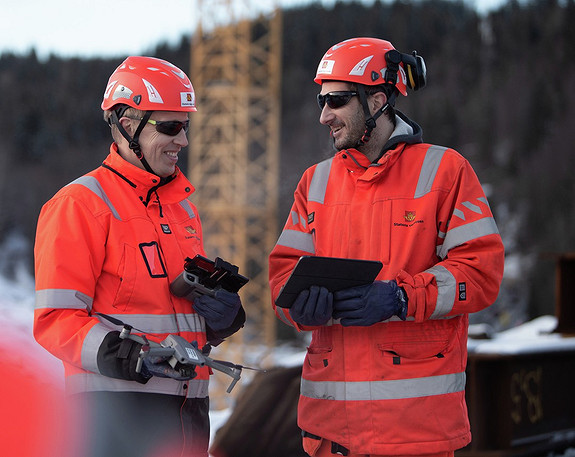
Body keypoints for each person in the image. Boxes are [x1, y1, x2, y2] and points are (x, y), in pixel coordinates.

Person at [268, 37, 505, 457]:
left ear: (377, 98)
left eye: (337, 101)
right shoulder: (315, 182)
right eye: (322, 101)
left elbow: (481, 272)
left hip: (414, 434)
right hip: (330, 436)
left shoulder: (445, 171)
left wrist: (401, 297)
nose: (324, 116)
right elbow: (283, 278)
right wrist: (296, 307)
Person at [33, 56, 246, 457]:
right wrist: (124, 354)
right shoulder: (80, 204)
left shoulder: (183, 210)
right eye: (169, 127)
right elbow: (55, 319)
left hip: (188, 417)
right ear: (127, 123)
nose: (182, 140)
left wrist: (220, 319)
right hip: (116, 418)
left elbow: (170, 310)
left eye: (185, 127)